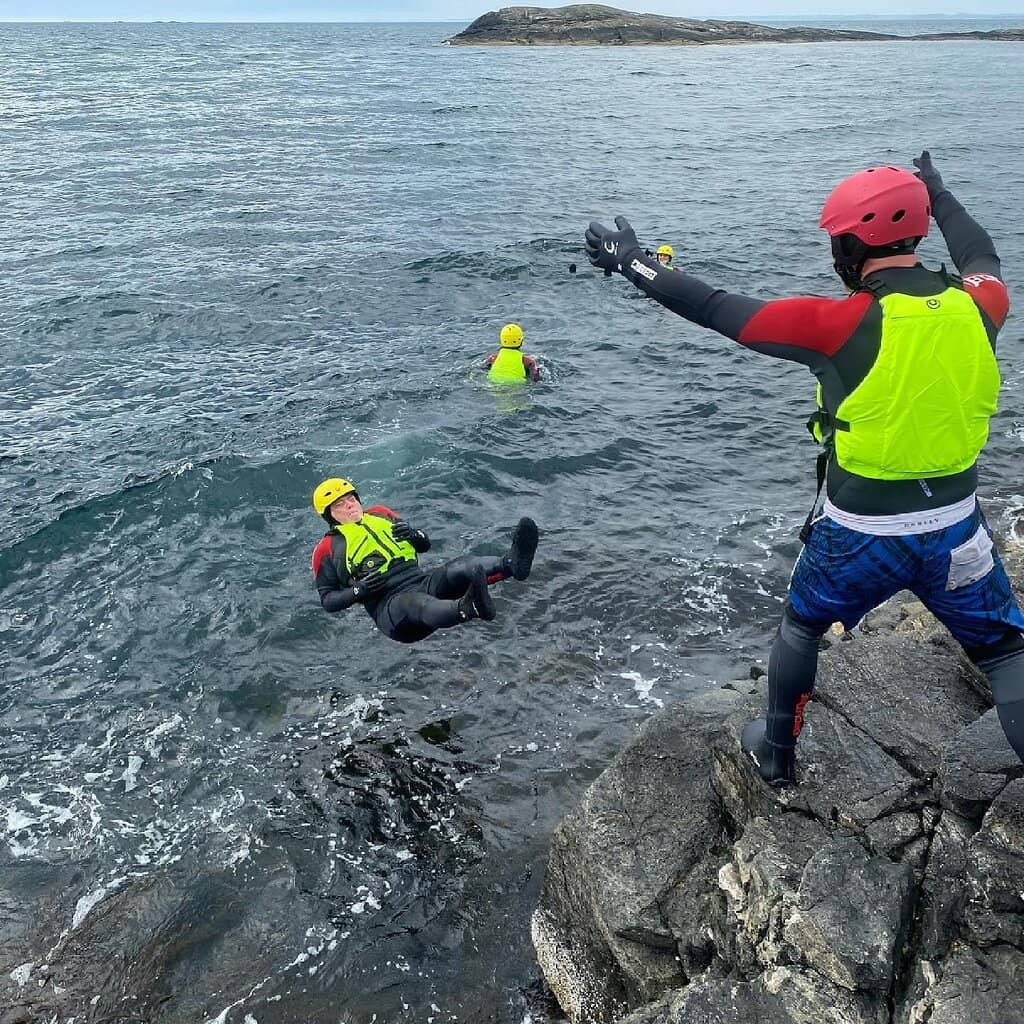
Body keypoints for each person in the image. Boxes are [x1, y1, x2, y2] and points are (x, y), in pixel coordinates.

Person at [584, 150, 1024, 785]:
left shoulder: (840, 322)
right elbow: (981, 254)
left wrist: (631, 261)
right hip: (958, 529)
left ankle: (777, 753)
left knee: (801, 627)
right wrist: (937, 192)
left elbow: (713, 306)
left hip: (859, 534)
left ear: (849, 247)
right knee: (1006, 653)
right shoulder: (983, 305)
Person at [311, 477, 539, 644]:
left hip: (421, 581)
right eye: (339, 504)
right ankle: (468, 608)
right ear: (329, 515)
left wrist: (413, 534)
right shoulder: (327, 548)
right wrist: (358, 591)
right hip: (391, 610)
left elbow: (424, 545)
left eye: (351, 498)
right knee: (417, 602)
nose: (349, 504)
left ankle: (511, 564)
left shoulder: (381, 514)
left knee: (457, 568)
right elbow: (328, 600)